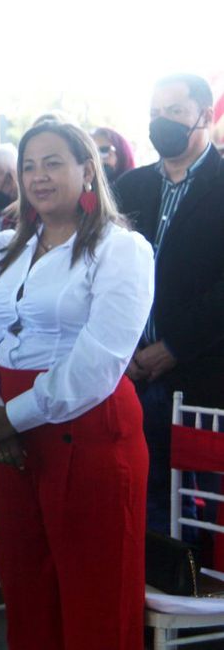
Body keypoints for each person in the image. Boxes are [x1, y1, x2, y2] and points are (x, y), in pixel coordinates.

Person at [0, 119, 153, 649]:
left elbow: (100, 361)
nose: (38, 177)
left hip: (87, 429)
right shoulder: (5, 244)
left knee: (97, 599)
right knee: (27, 593)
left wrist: (12, 416)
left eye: (52, 163)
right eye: (28, 166)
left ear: (87, 170)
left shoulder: (121, 249)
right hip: (9, 436)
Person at [115, 74, 224, 535]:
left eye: (175, 112)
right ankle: (151, 597)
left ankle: (199, 601)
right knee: (142, 496)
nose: (163, 123)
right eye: (156, 113)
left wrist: (173, 346)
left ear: (206, 114)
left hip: (201, 374)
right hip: (128, 371)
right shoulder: (128, 186)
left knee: (201, 504)